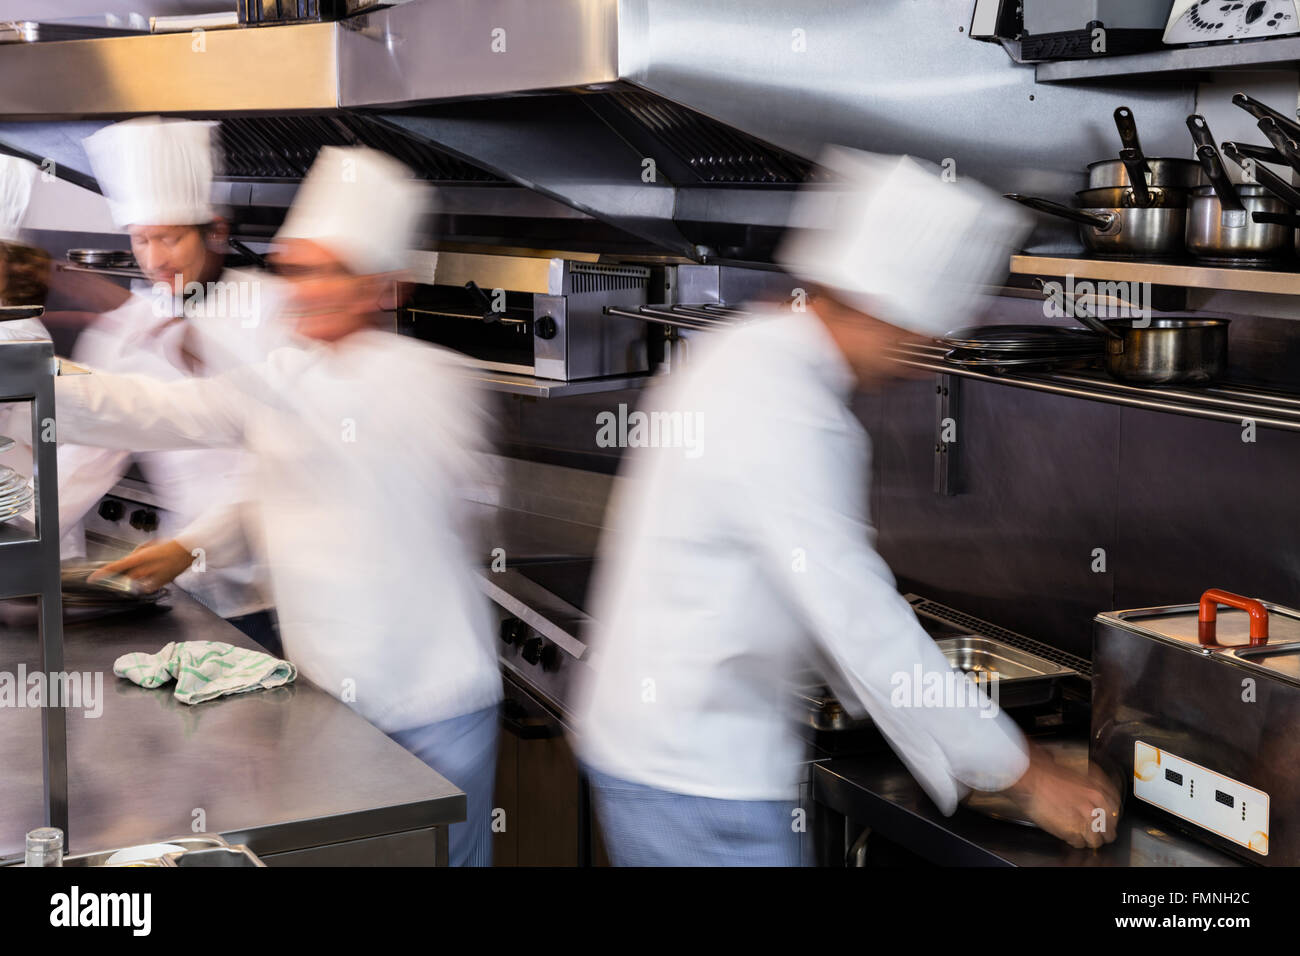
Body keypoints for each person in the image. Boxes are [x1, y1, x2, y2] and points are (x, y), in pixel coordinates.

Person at [574, 148, 1122, 866]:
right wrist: (1025, 774)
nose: (910, 361)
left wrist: (965, 749)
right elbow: (860, 621)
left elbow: (824, 604)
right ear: (881, 314)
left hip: (661, 753)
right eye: (916, 340)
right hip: (700, 781)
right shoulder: (790, 407)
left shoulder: (747, 353)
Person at [55, 146, 503, 867]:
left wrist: (205, 346)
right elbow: (200, 433)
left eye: (325, 270)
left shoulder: (429, 380)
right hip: (332, 699)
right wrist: (187, 547)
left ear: (380, 286)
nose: (302, 289)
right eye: (295, 268)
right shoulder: (293, 370)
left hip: (432, 707)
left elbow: (337, 448)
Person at [65, 117, 288, 650]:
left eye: (170, 237)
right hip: (185, 590)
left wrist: (194, 544)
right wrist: (20, 536)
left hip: (278, 594)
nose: (155, 258)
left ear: (214, 230)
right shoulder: (123, 332)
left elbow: (279, 462)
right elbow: (79, 458)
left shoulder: (275, 311)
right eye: (141, 239)